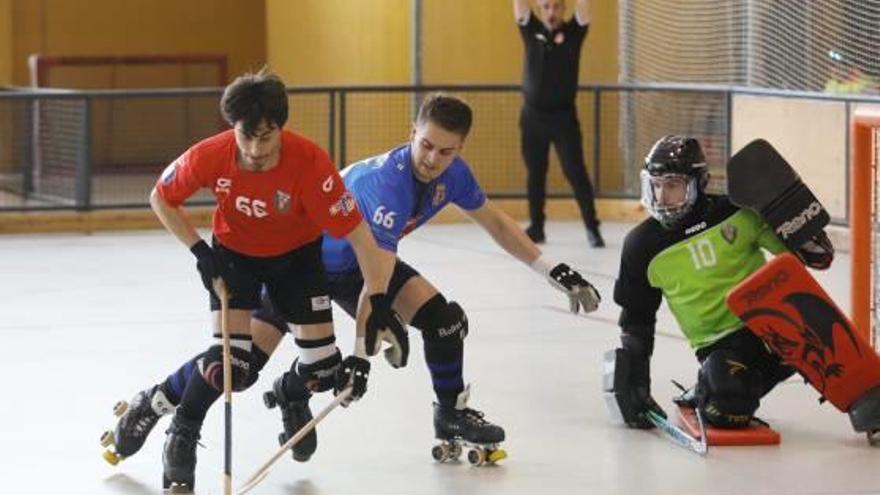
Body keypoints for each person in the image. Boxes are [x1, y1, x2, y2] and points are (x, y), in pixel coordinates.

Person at [107, 93, 601, 466]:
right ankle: (158, 400)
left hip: (360, 268)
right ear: (412, 132)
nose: (432, 159)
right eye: (425, 145)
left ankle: (447, 414)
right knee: (238, 365)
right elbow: (376, 281)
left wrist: (550, 269)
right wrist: (363, 358)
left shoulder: (455, 174)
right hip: (303, 266)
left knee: (445, 321)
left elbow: (494, 221)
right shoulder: (385, 186)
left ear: (460, 149)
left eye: (445, 152)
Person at [115, 68, 402, 490]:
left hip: (297, 262)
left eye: (265, 137)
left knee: (325, 372)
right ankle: (180, 427)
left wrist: (376, 303)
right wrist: (200, 252)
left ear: (280, 129)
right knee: (231, 365)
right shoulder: (210, 154)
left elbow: (361, 237)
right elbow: (161, 196)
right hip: (235, 259)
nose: (253, 149)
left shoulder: (310, 164)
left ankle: (290, 392)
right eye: (244, 136)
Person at [607, 135, 834, 430]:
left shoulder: (738, 212)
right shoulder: (641, 245)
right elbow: (637, 320)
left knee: (836, 346)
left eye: (673, 186)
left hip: (774, 324)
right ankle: (710, 389)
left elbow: (815, 258)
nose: (661, 197)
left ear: (698, 183)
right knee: (729, 406)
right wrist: (635, 385)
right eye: (656, 185)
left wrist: (798, 217)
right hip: (721, 345)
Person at [513, 0, 604, 247]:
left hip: (563, 118)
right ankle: (537, 227)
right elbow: (520, 6)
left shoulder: (574, 32)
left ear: (563, 8)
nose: (551, 12)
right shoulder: (531, 29)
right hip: (532, 118)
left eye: (556, 7)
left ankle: (592, 227)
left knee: (575, 171)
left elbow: (584, 10)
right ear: (539, 8)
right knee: (535, 173)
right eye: (546, 7)